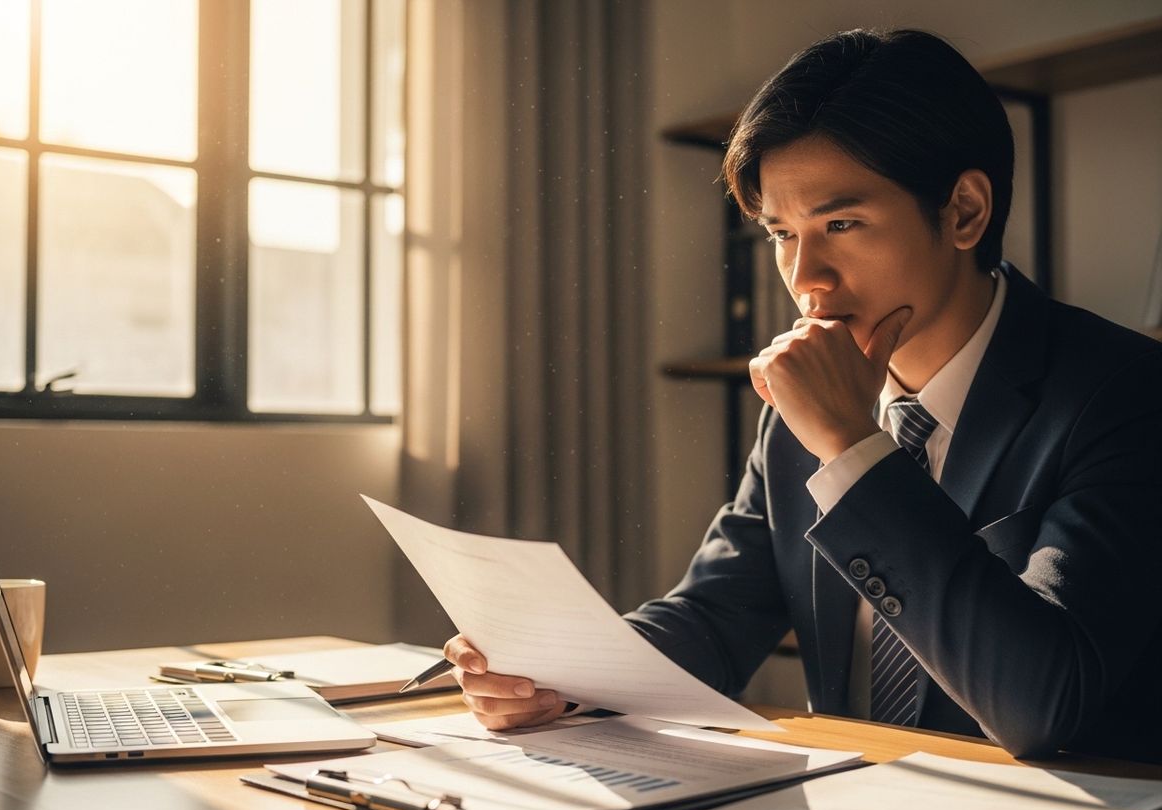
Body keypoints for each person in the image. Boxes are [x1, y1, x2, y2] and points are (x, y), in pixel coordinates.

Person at [443, 28, 1162, 762]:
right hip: (847, 802)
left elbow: (1044, 704)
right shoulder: (802, 402)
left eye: (841, 224)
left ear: (965, 212)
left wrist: (854, 447)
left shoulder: (1125, 393)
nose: (806, 276)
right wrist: (561, 672)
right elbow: (717, 617)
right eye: (782, 234)